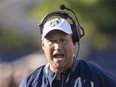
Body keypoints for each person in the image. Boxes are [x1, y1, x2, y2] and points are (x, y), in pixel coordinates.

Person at [19, 17, 116, 87]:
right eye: (51, 41)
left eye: (63, 40)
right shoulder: (31, 82)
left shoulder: (95, 76)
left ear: (74, 41)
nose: (58, 46)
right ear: (43, 45)